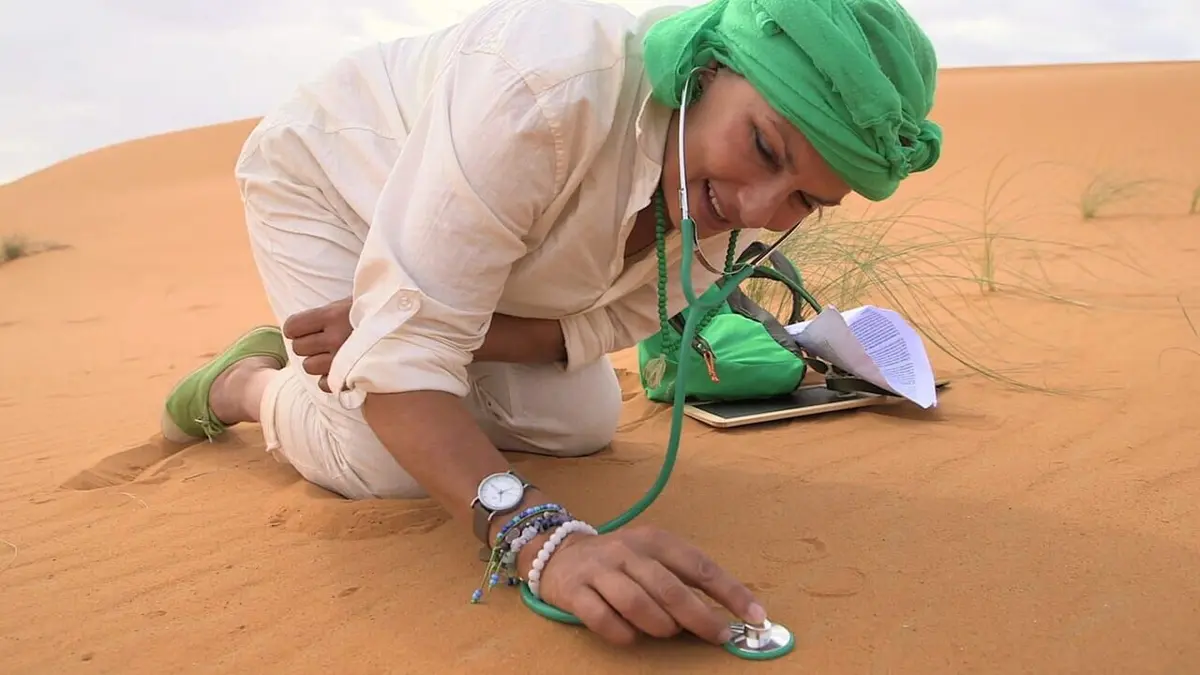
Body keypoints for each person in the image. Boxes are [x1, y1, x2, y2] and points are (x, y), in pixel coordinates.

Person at [160, 0, 942, 649]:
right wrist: (541, 539)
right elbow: (409, 360)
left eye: (807, 198)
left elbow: (597, 327)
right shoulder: (544, 85)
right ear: (703, 69)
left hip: (474, 265)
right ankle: (249, 384)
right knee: (385, 459)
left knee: (581, 419)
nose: (757, 211)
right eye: (764, 146)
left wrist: (421, 325)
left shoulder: (742, 217)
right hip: (332, 181)